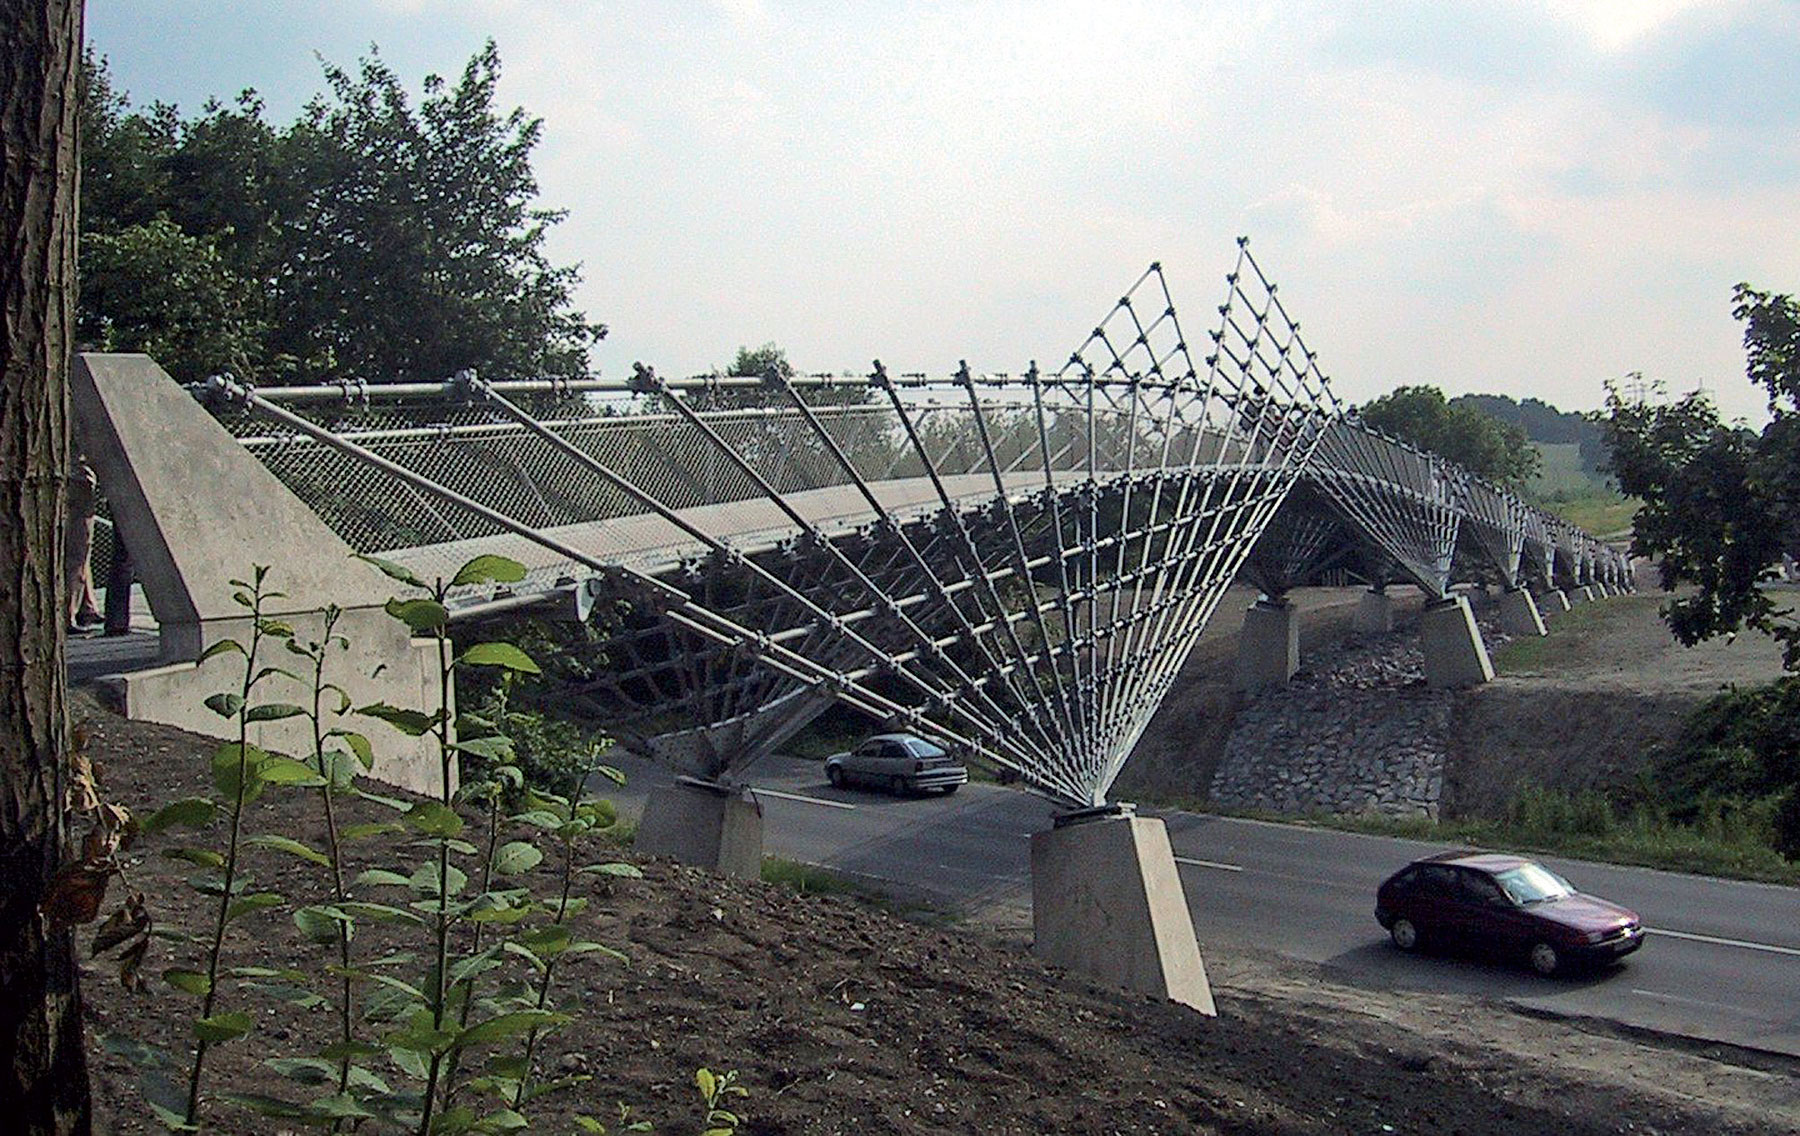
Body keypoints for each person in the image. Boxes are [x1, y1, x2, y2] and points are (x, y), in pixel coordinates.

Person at [66, 451, 101, 633]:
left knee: (82, 551)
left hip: (71, 480)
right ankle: (68, 613)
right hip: (79, 482)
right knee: (78, 551)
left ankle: (88, 605)